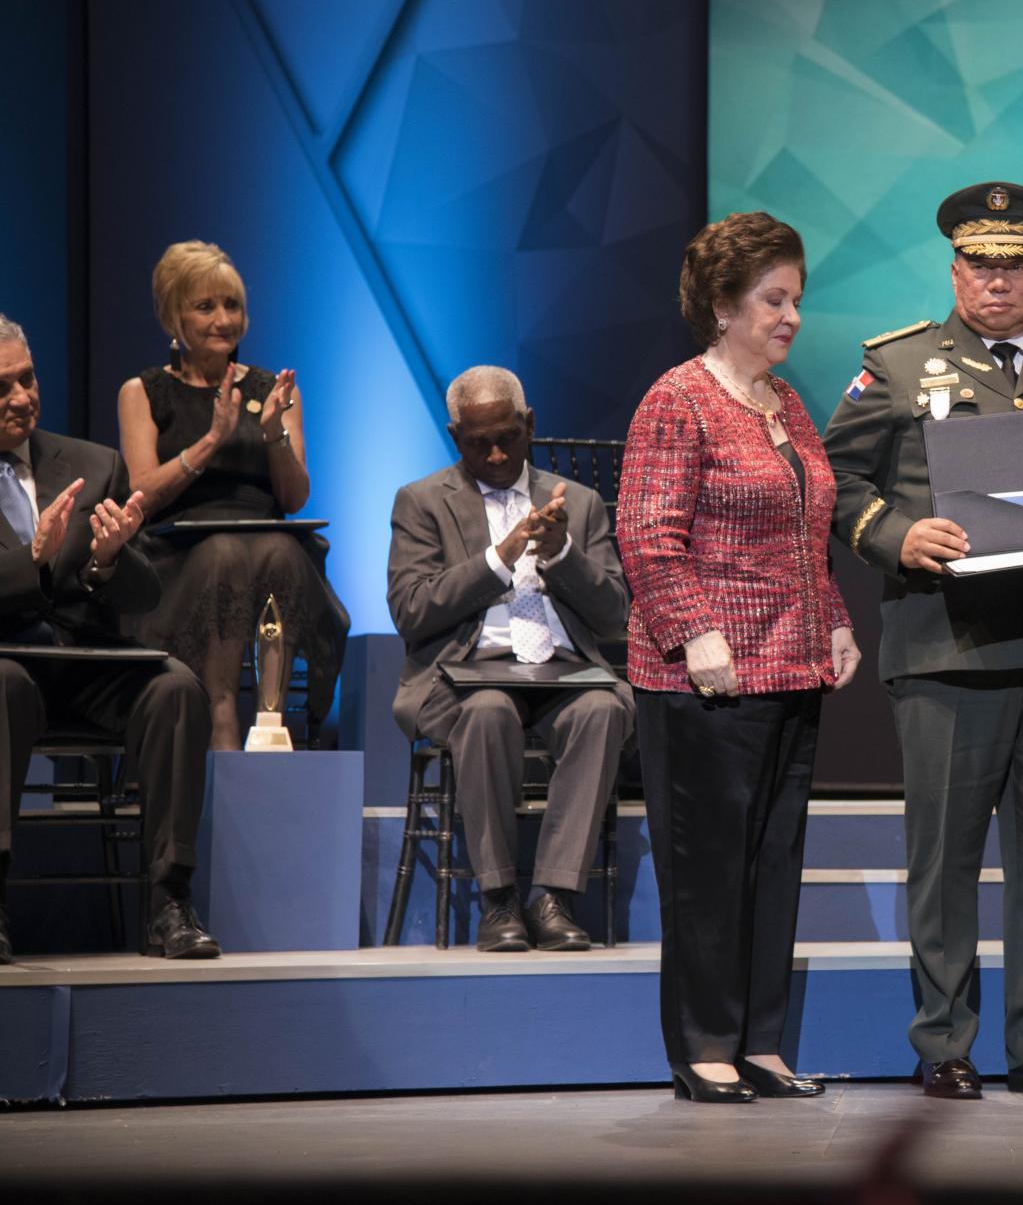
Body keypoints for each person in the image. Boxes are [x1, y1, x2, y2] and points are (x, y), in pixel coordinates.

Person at [820, 181, 1023, 1100]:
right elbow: (836, 479)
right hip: (946, 648)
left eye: (1013, 266)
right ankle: (944, 1042)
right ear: (954, 267)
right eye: (979, 265)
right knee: (945, 859)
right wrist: (897, 535)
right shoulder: (896, 366)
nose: (995, 283)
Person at [620, 211, 861, 1105]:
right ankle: (704, 1044)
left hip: (791, 670)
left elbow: (809, 533)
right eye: (774, 298)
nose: (792, 315)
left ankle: (760, 1040)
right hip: (706, 680)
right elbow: (645, 533)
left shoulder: (786, 404)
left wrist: (832, 617)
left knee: (773, 860)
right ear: (723, 305)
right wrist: (694, 630)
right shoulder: (676, 399)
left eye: (797, 298)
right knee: (709, 868)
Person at [386, 366, 633, 953]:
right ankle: (498, 900)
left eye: (508, 437)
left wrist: (562, 552)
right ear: (454, 434)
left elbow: (616, 615)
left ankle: (552, 898)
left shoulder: (582, 503)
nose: (495, 454)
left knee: (602, 710)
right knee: (490, 710)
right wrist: (500, 558)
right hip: (464, 675)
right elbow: (412, 610)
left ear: (530, 424)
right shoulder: (421, 502)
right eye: (477, 443)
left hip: (563, 674)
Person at [0, 315, 219, 963]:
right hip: (8, 665)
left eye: (28, 378)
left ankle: (169, 902)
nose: (21, 396)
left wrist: (107, 560)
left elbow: (145, 593)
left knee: (176, 687)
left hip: (84, 663)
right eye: (2, 386)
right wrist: (34, 561)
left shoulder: (94, 464)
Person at [117, 240, 349, 749]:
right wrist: (210, 442)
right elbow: (141, 493)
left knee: (282, 550)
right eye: (206, 307)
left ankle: (270, 720)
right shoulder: (143, 392)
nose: (224, 319)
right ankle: (221, 714)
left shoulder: (274, 389)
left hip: (265, 541)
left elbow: (293, 498)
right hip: (177, 555)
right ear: (173, 318)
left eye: (232, 305)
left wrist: (272, 435)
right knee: (223, 553)